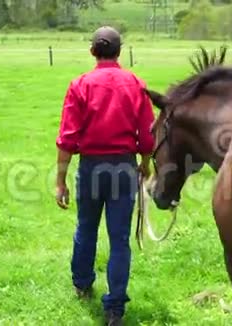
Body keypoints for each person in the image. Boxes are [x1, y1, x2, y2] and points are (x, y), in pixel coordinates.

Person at [54, 26, 155, 326]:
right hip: (124, 167)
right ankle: (114, 308)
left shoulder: (80, 85)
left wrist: (60, 180)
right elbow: (147, 136)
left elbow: (67, 138)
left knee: (86, 228)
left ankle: (82, 284)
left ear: (92, 51)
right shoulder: (136, 84)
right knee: (120, 239)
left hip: (91, 167)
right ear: (119, 51)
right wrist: (145, 163)